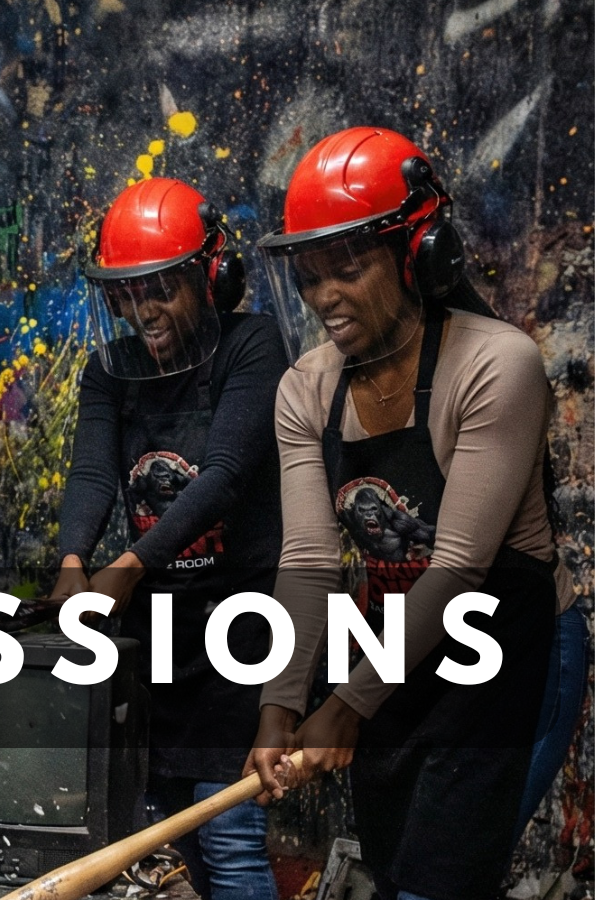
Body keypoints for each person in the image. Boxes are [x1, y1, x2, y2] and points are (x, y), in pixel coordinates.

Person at [243, 126, 575, 900]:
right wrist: (279, 704)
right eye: (310, 275)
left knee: (441, 884)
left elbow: (460, 566)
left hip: (507, 656)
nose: (324, 297)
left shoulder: (497, 365)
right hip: (399, 658)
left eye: (348, 269)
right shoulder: (304, 389)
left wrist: (346, 705)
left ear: (419, 254)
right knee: (394, 877)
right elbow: (309, 560)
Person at [48, 178, 286, 900]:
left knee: (232, 840)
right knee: (172, 847)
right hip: (160, 640)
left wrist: (130, 563)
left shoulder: (252, 346)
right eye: (127, 295)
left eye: (161, 290)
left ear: (211, 278)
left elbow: (225, 475)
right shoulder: (110, 370)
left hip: (239, 630)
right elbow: (93, 473)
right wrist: (72, 560)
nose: (144, 311)